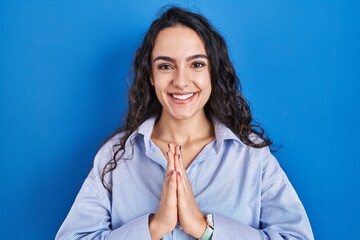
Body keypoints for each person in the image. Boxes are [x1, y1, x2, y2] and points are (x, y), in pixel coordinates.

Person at [55, 6, 314, 240]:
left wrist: (205, 229)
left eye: (197, 64)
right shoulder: (116, 156)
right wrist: (154, 227)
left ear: (213, 72)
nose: (181, 81)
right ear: (151, 76)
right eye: (166, 66)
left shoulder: (252, 156)